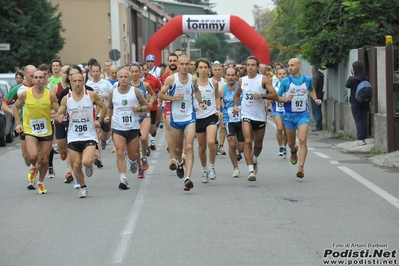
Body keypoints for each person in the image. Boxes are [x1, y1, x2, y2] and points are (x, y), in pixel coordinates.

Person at [159, 55, 206, 191]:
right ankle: (179, 163)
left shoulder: (193, 79)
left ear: (190, 65)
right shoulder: (171, 79)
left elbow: (196, 90)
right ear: (178, 65)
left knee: (189, 146)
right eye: (182, 64)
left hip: (189, 116)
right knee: (178, 149)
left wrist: (201, 102)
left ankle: (187, 178)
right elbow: (161, 95)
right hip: (176, 117)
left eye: (187, 64)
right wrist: (173, 98)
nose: (185, 66)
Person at [57, 72, 107, 198]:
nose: (78, 84)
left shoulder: (90, 95)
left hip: (89, 135)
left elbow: (104, 106)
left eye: (80, 81)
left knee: (86, 161)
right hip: (73, 136)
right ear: (71, 82)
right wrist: (57, 116)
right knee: (76, 165)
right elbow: (60, 113)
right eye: (75, 81)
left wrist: (98, 120)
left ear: (84, 82)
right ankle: (83, 186)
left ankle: (89, 165)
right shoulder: (66, 98)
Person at [13, 71, 60, 193]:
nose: (38, 80)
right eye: (36, 77)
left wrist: (56, 116)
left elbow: (58, 110)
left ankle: (40, 183)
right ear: (32, 80)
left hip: (46, 131)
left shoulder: (50, 95)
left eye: (41, 77)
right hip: (30, 130)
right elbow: (15, 107)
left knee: (44, 159)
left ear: (45, 80)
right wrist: (18, 123)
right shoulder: (25, 94)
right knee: (33, 156)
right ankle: (33, 167)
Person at [233, 56, 278, 182]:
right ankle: (250, 170)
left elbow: (274, 95)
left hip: (259, 116)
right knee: (247, 141)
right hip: (246, 115)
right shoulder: (242, 80)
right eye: (248, 65)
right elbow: (237, 95)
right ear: (246, 66)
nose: (251, 67)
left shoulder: (263, 80)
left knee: (258, 144)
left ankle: (255, 159)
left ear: (257, 67)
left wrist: (262, 95)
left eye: (253, 65)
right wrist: (236, 106)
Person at [277, 58, 322, 178]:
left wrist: (315, 98)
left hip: (303, 115)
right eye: (289, 65)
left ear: (299, 66)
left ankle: (301, 167)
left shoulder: (307, 79)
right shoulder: (286, 81)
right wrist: (286, 98)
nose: (289, 67)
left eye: (292, 65)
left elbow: (311, 90)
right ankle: (293, 150)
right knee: (291, 142)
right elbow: (278, 96)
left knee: (302, 140)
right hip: (289, 115)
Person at [105, 69, 149, 189]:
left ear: (129, 79)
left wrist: (138, 109)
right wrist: (108, 117)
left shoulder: (136, 92)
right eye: (121, 77)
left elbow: (146, 106)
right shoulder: (113, 93)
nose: (123, 79)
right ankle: (123, 178)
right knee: (120, 152)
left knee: (132, 154)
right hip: (118, 127)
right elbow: (110, 107)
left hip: (133, 127)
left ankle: (133, 161)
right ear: (118, 79)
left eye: (125, 77)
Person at [194, 58, 222, 183]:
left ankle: (212, 167)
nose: (203, 70)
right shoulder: (193, 84)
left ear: (208, 69)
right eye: (201, 67)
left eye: (205, 67)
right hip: (198, 117)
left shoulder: (213, 82)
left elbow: (216, 96)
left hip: (211, 115)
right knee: (201, 147)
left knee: (211, 142)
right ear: (197, 70)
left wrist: (218, 109)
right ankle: (204, 169)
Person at [221, 67, 244, 178]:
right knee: (231, 143)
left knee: (241, 146)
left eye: (232, 75)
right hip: (228, 119)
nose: (230, 77)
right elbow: (219, 102)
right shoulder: (222, 89)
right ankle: (235, 167)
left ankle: (242, 153)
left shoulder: (241, 88)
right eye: (228, 75)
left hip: (242, 119)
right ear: (225, 76)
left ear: (236, 76)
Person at [345, 61, 370, 146]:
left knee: (358, 120)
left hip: (355, 102)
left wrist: (351, 76)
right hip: (365, 101)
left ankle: (360, 139)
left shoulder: (353, 79)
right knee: (363, 120)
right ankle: (364, 138)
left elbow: (347, 85)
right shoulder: (366, 78)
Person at [272, 68, 288, 157]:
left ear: (286, 74)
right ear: (277, 75)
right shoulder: (274, 85)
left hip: (287, 110)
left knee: (286, 131)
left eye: (284, 73)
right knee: (279, 128)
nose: (282, 75)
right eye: (280, 73)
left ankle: (285, 146)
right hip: (277, 110)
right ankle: (280, 146)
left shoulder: (290, 85)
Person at [310, 66, 324, 131]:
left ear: (313, 69)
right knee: (318, 110)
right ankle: (319, 125)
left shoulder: (315, 77)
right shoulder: (320, 75)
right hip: (320, 94)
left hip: (315, 96)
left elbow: (313, 87)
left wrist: (312, 94)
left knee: (316, 111)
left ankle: (318, 126)